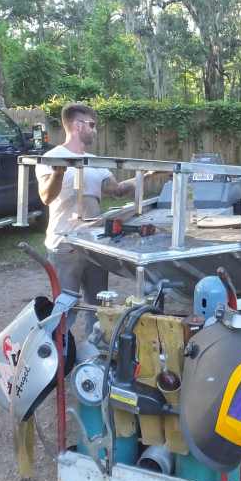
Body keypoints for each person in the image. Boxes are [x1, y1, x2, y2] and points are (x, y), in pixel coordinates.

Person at [36, 102, 157, 335]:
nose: (95, 130)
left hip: (94, 243)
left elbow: (118, 189)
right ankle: (59, 358)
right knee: (64, 308)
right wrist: (59, 173)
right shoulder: (52, 157)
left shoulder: (95, 162)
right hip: (64, 245)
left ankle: (95, 353)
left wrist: (149, 176)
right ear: (77, 125)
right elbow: (46, 197)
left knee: (100, 306)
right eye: (92, 125)